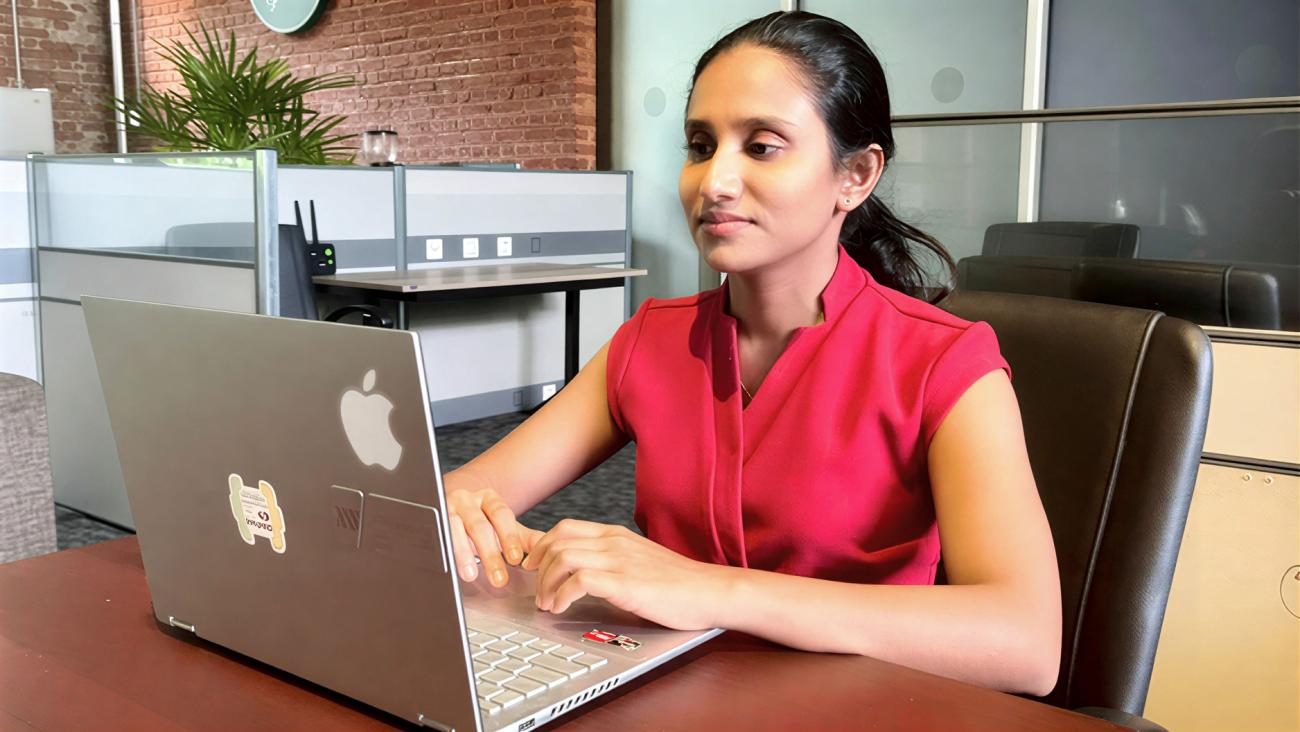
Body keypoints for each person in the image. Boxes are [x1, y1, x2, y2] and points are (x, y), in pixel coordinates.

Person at [442, 10, 1061, 696]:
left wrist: (709, 590)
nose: (714, 182)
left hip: (861, 708)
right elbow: (468, 492)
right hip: (670, 696)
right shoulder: (649, 339)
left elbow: (1027, 643)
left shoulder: (946, 362)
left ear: (855, 176)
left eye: (761, 146)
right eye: (700, 145)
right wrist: (461, 507)